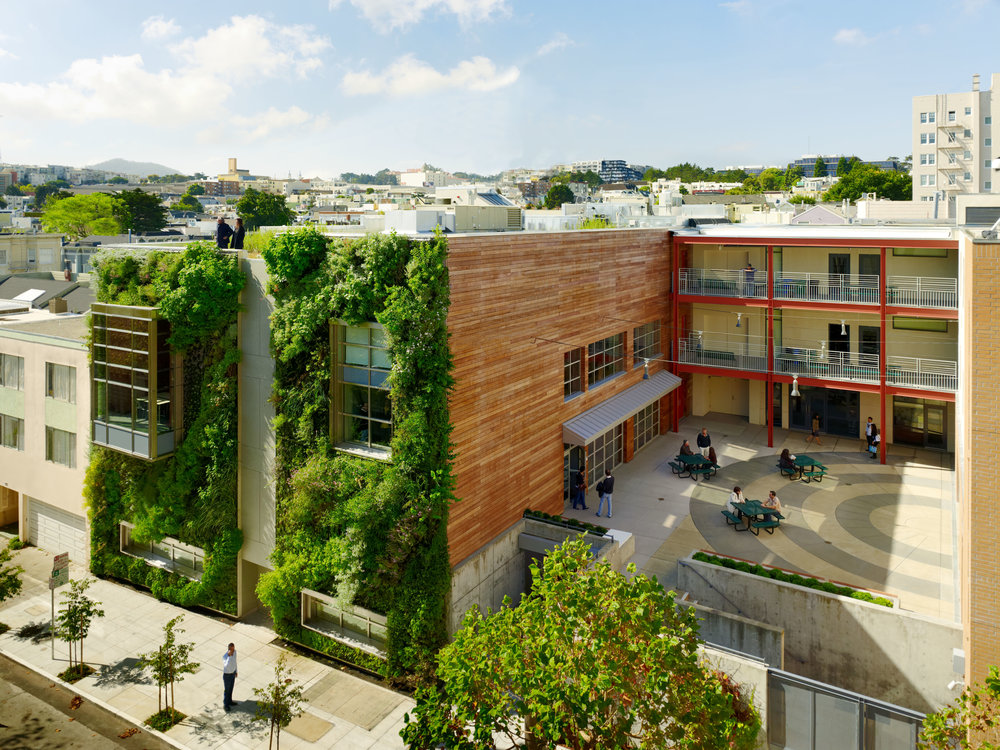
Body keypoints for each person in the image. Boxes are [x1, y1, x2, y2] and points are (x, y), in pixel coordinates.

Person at [222, 642, 238, 712]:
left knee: (231, 688)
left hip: (233, 673)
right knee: (227, 690)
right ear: (229, 650)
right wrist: (229, 656)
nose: (233, 650)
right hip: (227, 675)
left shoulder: (235, 652)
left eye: (233, 648)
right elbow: (226, 666)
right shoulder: (225, 656)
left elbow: (235, 662)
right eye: (231, 649)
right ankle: (226, 704)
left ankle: (230, 701)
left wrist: (236, 671)